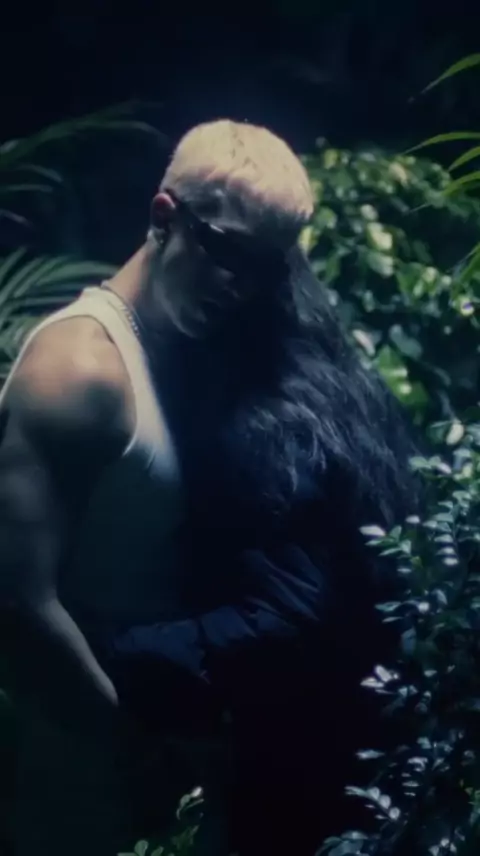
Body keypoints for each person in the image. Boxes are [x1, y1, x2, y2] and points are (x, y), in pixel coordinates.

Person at [0, 120, 421, 856]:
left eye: (263, 266)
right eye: (225, 251)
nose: (240, 285)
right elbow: (14, 604)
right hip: (81, 775)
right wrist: (132, 748)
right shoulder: (79, 372)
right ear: (164, 216)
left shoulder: (191, 349)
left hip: (167, 773)